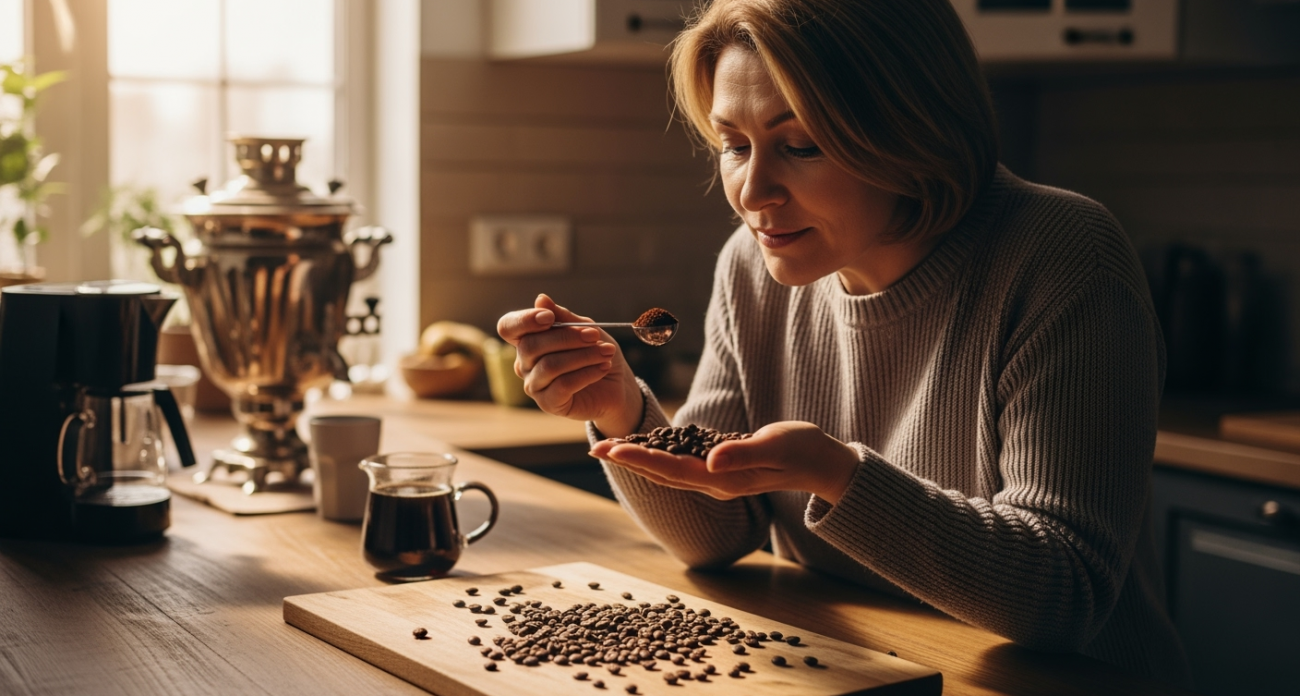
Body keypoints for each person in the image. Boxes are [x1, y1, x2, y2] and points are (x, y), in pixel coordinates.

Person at [496, 0, 1190, 686]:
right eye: (734, 146)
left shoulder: (1063, 255)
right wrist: (621, 408)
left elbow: (1062, 595)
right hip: (863, 669)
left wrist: (837, 475)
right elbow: (716, 537)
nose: (753, 191)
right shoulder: (751, 264)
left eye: (800, 146)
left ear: (912, 134)